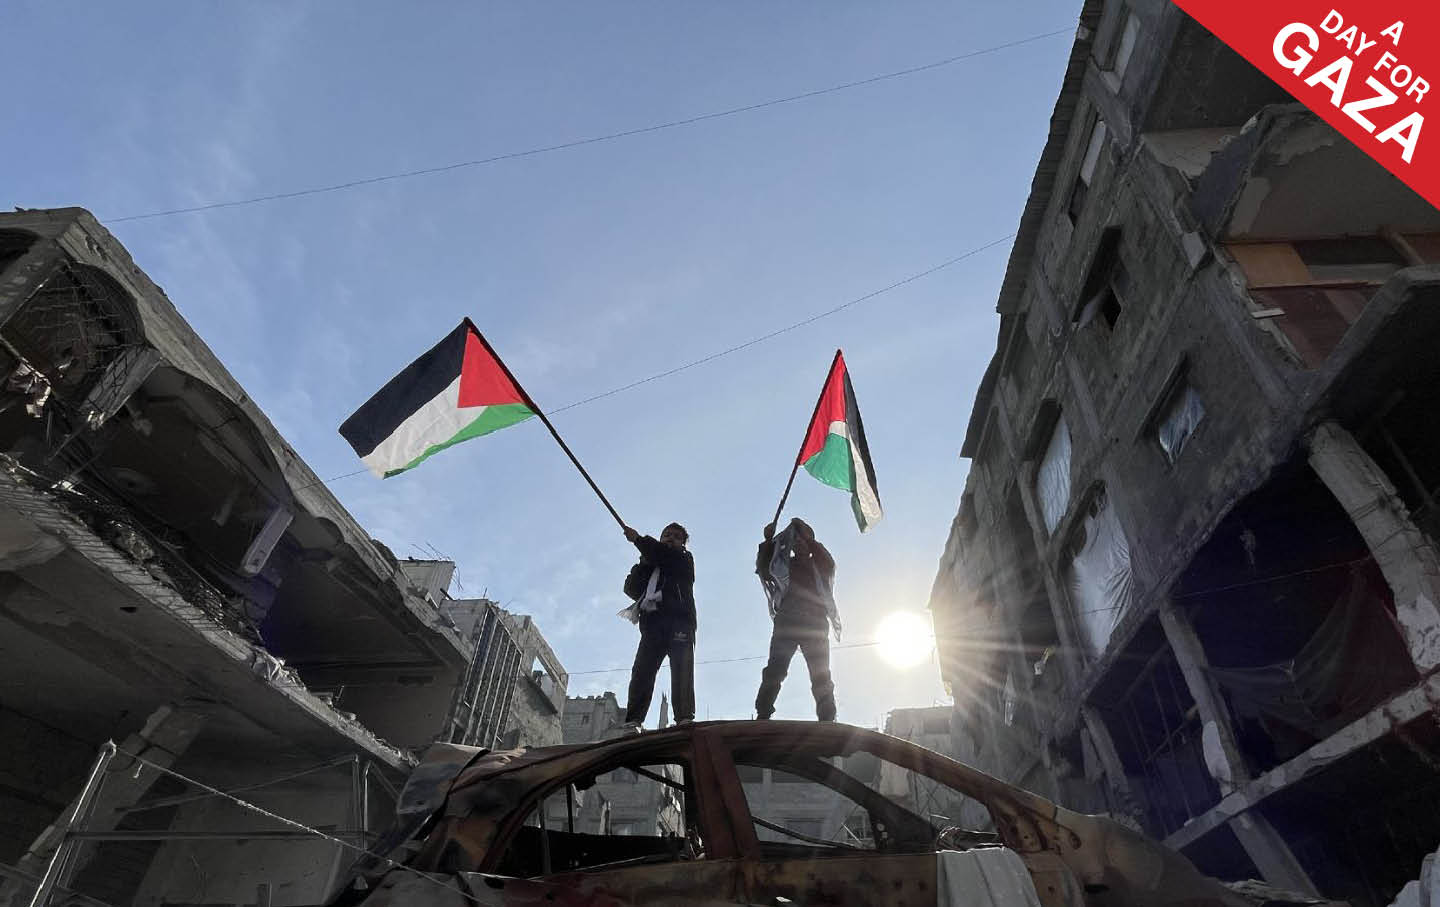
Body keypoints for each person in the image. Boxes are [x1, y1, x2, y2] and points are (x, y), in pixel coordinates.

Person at [754, 517, 840, 721]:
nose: (800, 542)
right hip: (787, 622)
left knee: (820, 673)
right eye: (796, 539)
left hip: (815, 623)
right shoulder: (783, 565)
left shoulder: (819, 564)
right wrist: (767, 542)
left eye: (804, 539)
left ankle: (827, 717)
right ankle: (763, 711)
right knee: (776, 669)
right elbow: (764, 569)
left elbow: (828, 563)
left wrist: (810, 540)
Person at [618, 522, 696, 732]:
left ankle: (684, 717)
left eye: (676, 537)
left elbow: (664, 556)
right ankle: (634, 720)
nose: (670, 538)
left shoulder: (683, 560)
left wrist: (638, 540)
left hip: (680, 621)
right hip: (653, 623)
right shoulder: (650, 562)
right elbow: (631, 588)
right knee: (642, 670)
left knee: (682, 669)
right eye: (666, 535)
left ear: (683, 544)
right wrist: (644, 562)